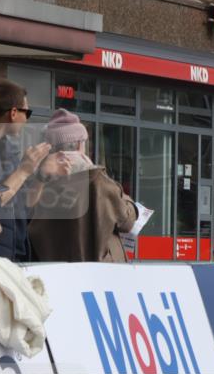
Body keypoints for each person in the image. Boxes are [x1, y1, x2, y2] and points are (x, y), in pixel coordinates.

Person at [27, 110, 138, 263]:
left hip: (53, 272)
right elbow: (127, 222)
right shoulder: (98, 180)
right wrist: (130, 203)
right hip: (98, 273)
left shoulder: (38, 185)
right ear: (80, 144)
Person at [0, 79, 58, 261]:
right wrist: (24, 170)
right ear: (13, 113)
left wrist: (42, 175)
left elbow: (26, 205)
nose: (27, 119)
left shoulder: (9, 150)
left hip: (15, 248)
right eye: (26, 112)